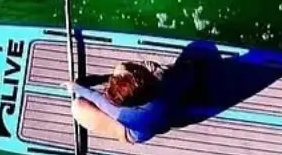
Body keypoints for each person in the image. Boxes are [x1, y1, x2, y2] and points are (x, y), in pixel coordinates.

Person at [67, 59, 197, 144]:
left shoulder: (127, 114)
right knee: (122, 68)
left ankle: (120, 133)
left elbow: (98, 99)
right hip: (169, 108)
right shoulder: (162, 86)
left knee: (78, 106)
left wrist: (75, 87)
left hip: (139, 130)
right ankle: (119, 80)